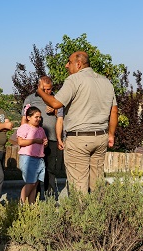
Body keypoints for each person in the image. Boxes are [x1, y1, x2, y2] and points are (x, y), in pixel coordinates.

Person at [36, 51, 118, 194]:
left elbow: (55, 103)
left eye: (69, 62)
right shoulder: (106, 82)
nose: (67, 65)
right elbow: (114, 111)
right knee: (97, 184)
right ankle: (100, 214)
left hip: (79, 138)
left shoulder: (74, 80)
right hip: (101, 137)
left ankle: (82, 215)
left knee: (78, 188)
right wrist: (111, 134)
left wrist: (41, 92)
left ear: (78, 64)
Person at [22, 76, 65, 200]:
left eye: (49, 89)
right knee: (35, 169)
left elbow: (62, 119)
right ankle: (33, 198)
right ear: (38, 87)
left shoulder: (57, 99)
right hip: (35, 141)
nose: (47, 92)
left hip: (51, 138)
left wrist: (55, 112)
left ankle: (49, 197)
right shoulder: (31, 99)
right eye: (44, 89)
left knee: (50, 169)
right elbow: (24, 119)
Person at [17, 105, 48, 204]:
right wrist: (34, 140)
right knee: (31, 182)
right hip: (28, 158)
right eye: (36, 117)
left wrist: (45, 143)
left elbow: (43, 142)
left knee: (35, 184)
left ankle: (31, 205)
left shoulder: (41, 129)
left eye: (40, 117)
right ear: (28, 117)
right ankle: (22, 203)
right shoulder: (25, 127)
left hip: (39, 158)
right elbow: (21, 142)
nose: (38, 119)